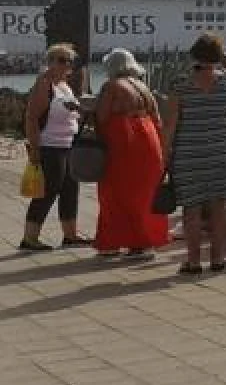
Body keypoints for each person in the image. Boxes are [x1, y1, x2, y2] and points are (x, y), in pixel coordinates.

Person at [164, 33, 226, 275]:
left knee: (191, 209)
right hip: (222, 150)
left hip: (190, 152)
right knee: (219, 207)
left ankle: (193, 262)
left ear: (194, 55)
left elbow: (170, 125)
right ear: (218, 56)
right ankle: (218, 258)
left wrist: (165, 156)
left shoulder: (180, 83)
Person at [94, 49, 170, 261]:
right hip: (148, 140)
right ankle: (144, 243)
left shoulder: (111, 87)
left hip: (124, 141)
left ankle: (113, 243)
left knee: (113, 192)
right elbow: (158, 120)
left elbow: (101, 117)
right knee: (144, 193)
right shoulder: (143, 87)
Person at [19, 43, 91, 251]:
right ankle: (30, 238)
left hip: (68, 145)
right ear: (50, 62)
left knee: (70, 189)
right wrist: (34, 148)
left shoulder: (64, 85)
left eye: (69, 60)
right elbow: (32, 117)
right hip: (50, 145)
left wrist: (78, 109)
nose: (66, 64)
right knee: (48, 190)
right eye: (60, 60)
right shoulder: (44, 83)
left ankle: (70, 235)